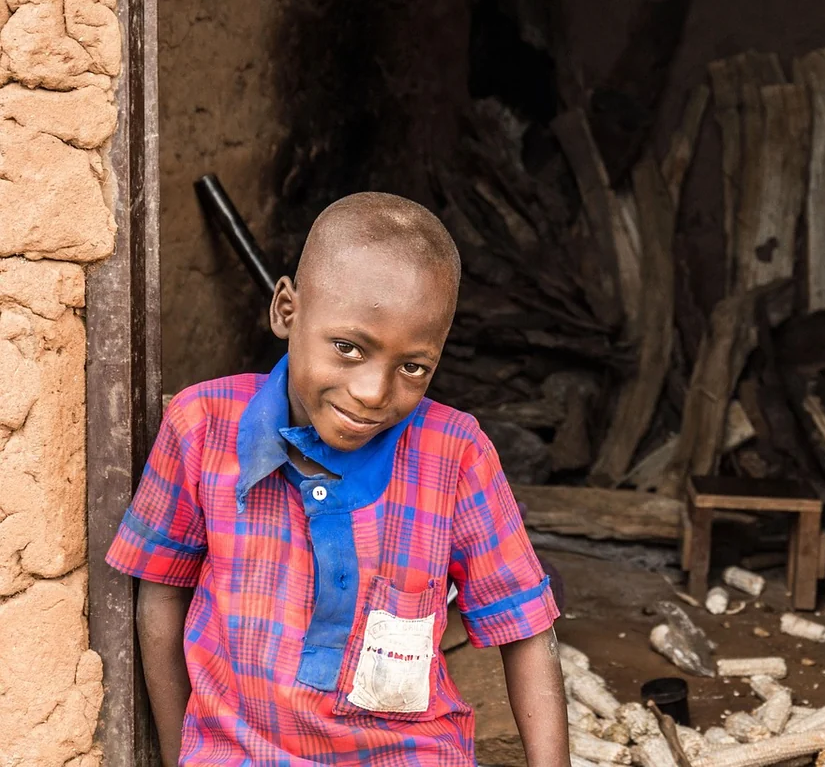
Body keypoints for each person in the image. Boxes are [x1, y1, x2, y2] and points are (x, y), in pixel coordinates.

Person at [106, 193, 569, 766]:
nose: (373, 393)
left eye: (413, 367)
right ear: (286, 310)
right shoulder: (202, 427)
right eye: (348, 348)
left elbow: (525, 628)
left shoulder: (456, 454)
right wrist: (181, 755)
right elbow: (161, 594)